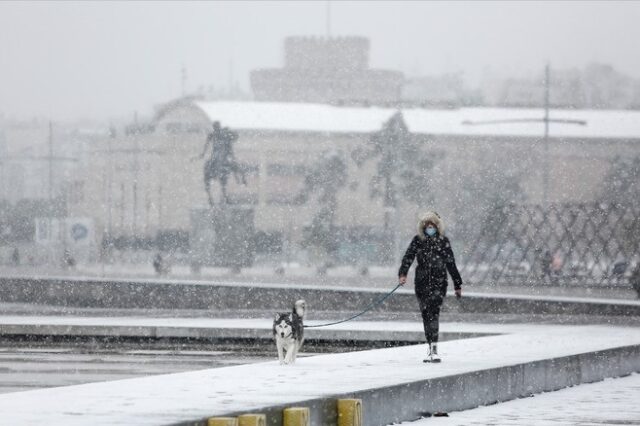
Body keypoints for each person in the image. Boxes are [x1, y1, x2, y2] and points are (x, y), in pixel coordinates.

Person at [398, 211, 463, 363]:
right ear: (423, 227)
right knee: (426, 314)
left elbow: (451, 264)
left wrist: (457, 284)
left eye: (432, 225)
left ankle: (433, 348)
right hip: (421, 284)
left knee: (434, 313)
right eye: (427, 225)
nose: (429, 228)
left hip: (439, 284)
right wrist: (403, 274)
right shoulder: (418, 241)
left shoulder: (443, 241)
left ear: (437, 226)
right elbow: (408, 257)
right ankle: (430, 345)